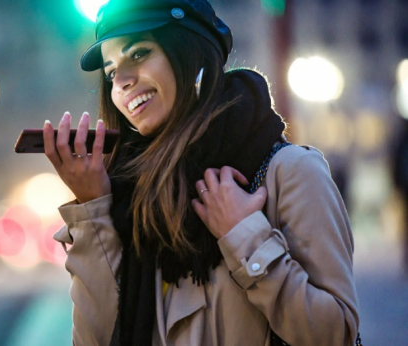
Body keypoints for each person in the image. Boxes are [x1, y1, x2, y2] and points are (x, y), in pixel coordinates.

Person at [42, 0, 360, 345]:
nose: (123, 81)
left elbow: (336, 334)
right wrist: (93, 210)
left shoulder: (290, 172)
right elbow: (94, 340)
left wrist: (243, 236)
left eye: (139, 54)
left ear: (190, 52)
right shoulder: (128, 195)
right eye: (111, 71)